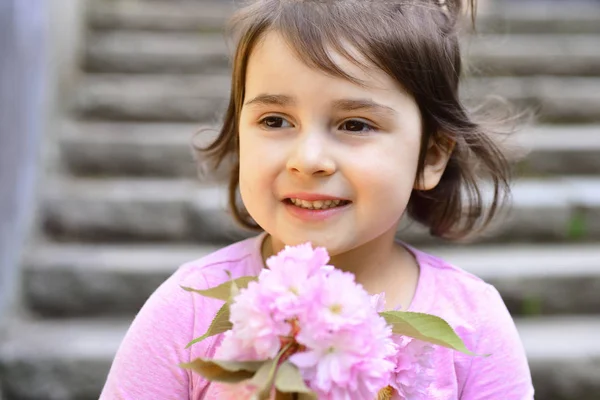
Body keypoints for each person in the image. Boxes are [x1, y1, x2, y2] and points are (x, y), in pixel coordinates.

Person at [100, 0, 534, 398]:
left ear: (432, 156)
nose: (308, 160)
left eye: (355, 125)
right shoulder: (191, 306)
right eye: (275, 120)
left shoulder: (472, 324)